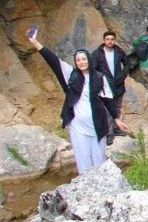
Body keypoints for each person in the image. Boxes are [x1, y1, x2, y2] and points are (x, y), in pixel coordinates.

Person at [27, 28, 127, 173]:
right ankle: (84, 184)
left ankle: (100, 183)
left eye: (84, 59)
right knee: (82, 156)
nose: (81, 62)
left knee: (98, 157)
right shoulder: (71, 75)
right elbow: (53, 60)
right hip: (77, 124)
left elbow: (108, 101)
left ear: (89, 59)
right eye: (78, 60)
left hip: (97, 123)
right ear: (75, 62)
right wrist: (35, 42)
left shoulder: (99, 77)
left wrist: (116, 118)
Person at [91, 31, 128, 144]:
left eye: (112, 39)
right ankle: (109, 133)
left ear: (114, 40)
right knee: (107, 110)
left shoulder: (119, 51)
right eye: (107, 39)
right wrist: (100, 80)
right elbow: (93, 69)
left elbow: (127, 63)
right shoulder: (97, 53)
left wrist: (123, 75)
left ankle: (116, 129)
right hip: (105, 86)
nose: (110, 41)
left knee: (117, 108)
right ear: (104, 40)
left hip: (118, 84)